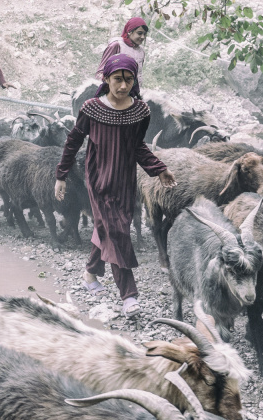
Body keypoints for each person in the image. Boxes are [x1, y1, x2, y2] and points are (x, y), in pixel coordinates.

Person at [55, 54, 176, 317]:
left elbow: (137, 147)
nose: (123, 86)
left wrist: (159, 169)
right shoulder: (91, 108)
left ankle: (89, 274)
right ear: (107, 79)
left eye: (128, 79)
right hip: (98, 179)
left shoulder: (141, 110)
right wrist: (61, 175)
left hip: (125, 180)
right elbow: (73, 141)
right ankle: (129, 296)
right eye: (117, 79)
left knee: (109, 228)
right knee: (118, 233)